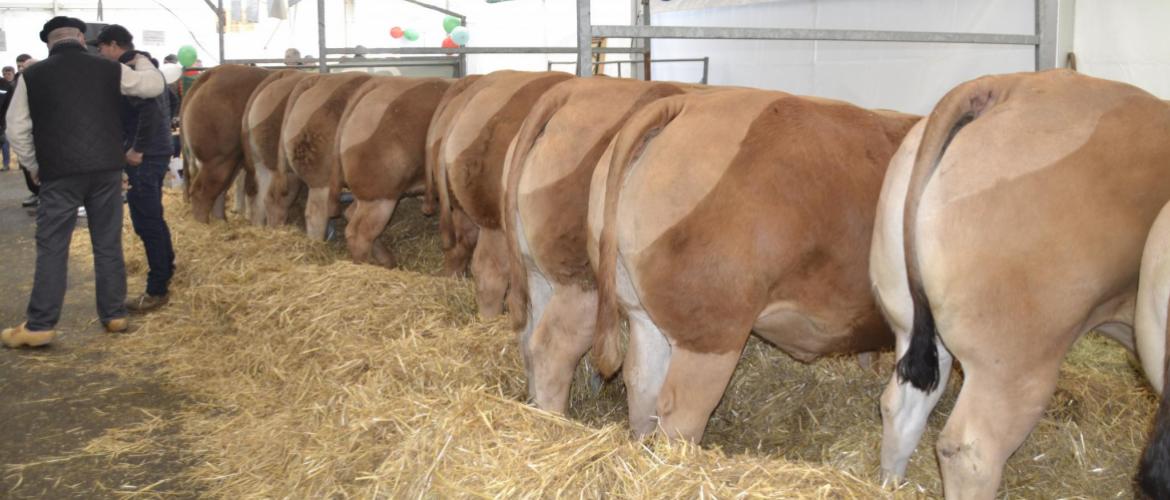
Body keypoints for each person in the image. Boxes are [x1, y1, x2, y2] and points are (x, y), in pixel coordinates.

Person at [1, 16, 165, 348]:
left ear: (48, 42)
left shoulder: (31, 75)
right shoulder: (108, 67)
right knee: (107, 244)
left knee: (52, 248)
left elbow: (15, 128)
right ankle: (114, 315)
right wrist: (143, 61)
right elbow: (153, 86)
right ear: (79, 37)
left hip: (58, 174)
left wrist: (34, 165)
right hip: (106, 170)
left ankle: (40, 325)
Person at [94, 24, 175, 312]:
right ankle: (167, 269)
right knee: (153, 215)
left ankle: (157, 289)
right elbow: (171, 102)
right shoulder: (147, 65)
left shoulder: (133, 71)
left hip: (147, 154)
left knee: (146, 219)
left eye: (102, 48)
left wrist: (137, 148)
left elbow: (149, 111)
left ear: (115, 45)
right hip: (159, 149)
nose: (101, 53)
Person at [14, 55, 41, 206]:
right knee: (27, 166)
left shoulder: (45, 84)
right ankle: (35, 193)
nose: (22, 70)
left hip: (42, 133)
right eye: (20, 67)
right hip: (27, 132)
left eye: (25, 67)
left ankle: (43, 194)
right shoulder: (19, 83)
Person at [0, 66, 14, 171]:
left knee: (4, 142)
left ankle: (6, 164)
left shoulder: (12, 86)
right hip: (3, 120)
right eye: (5, 73)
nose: (7, 76)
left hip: (7, 120)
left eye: (9, 73)